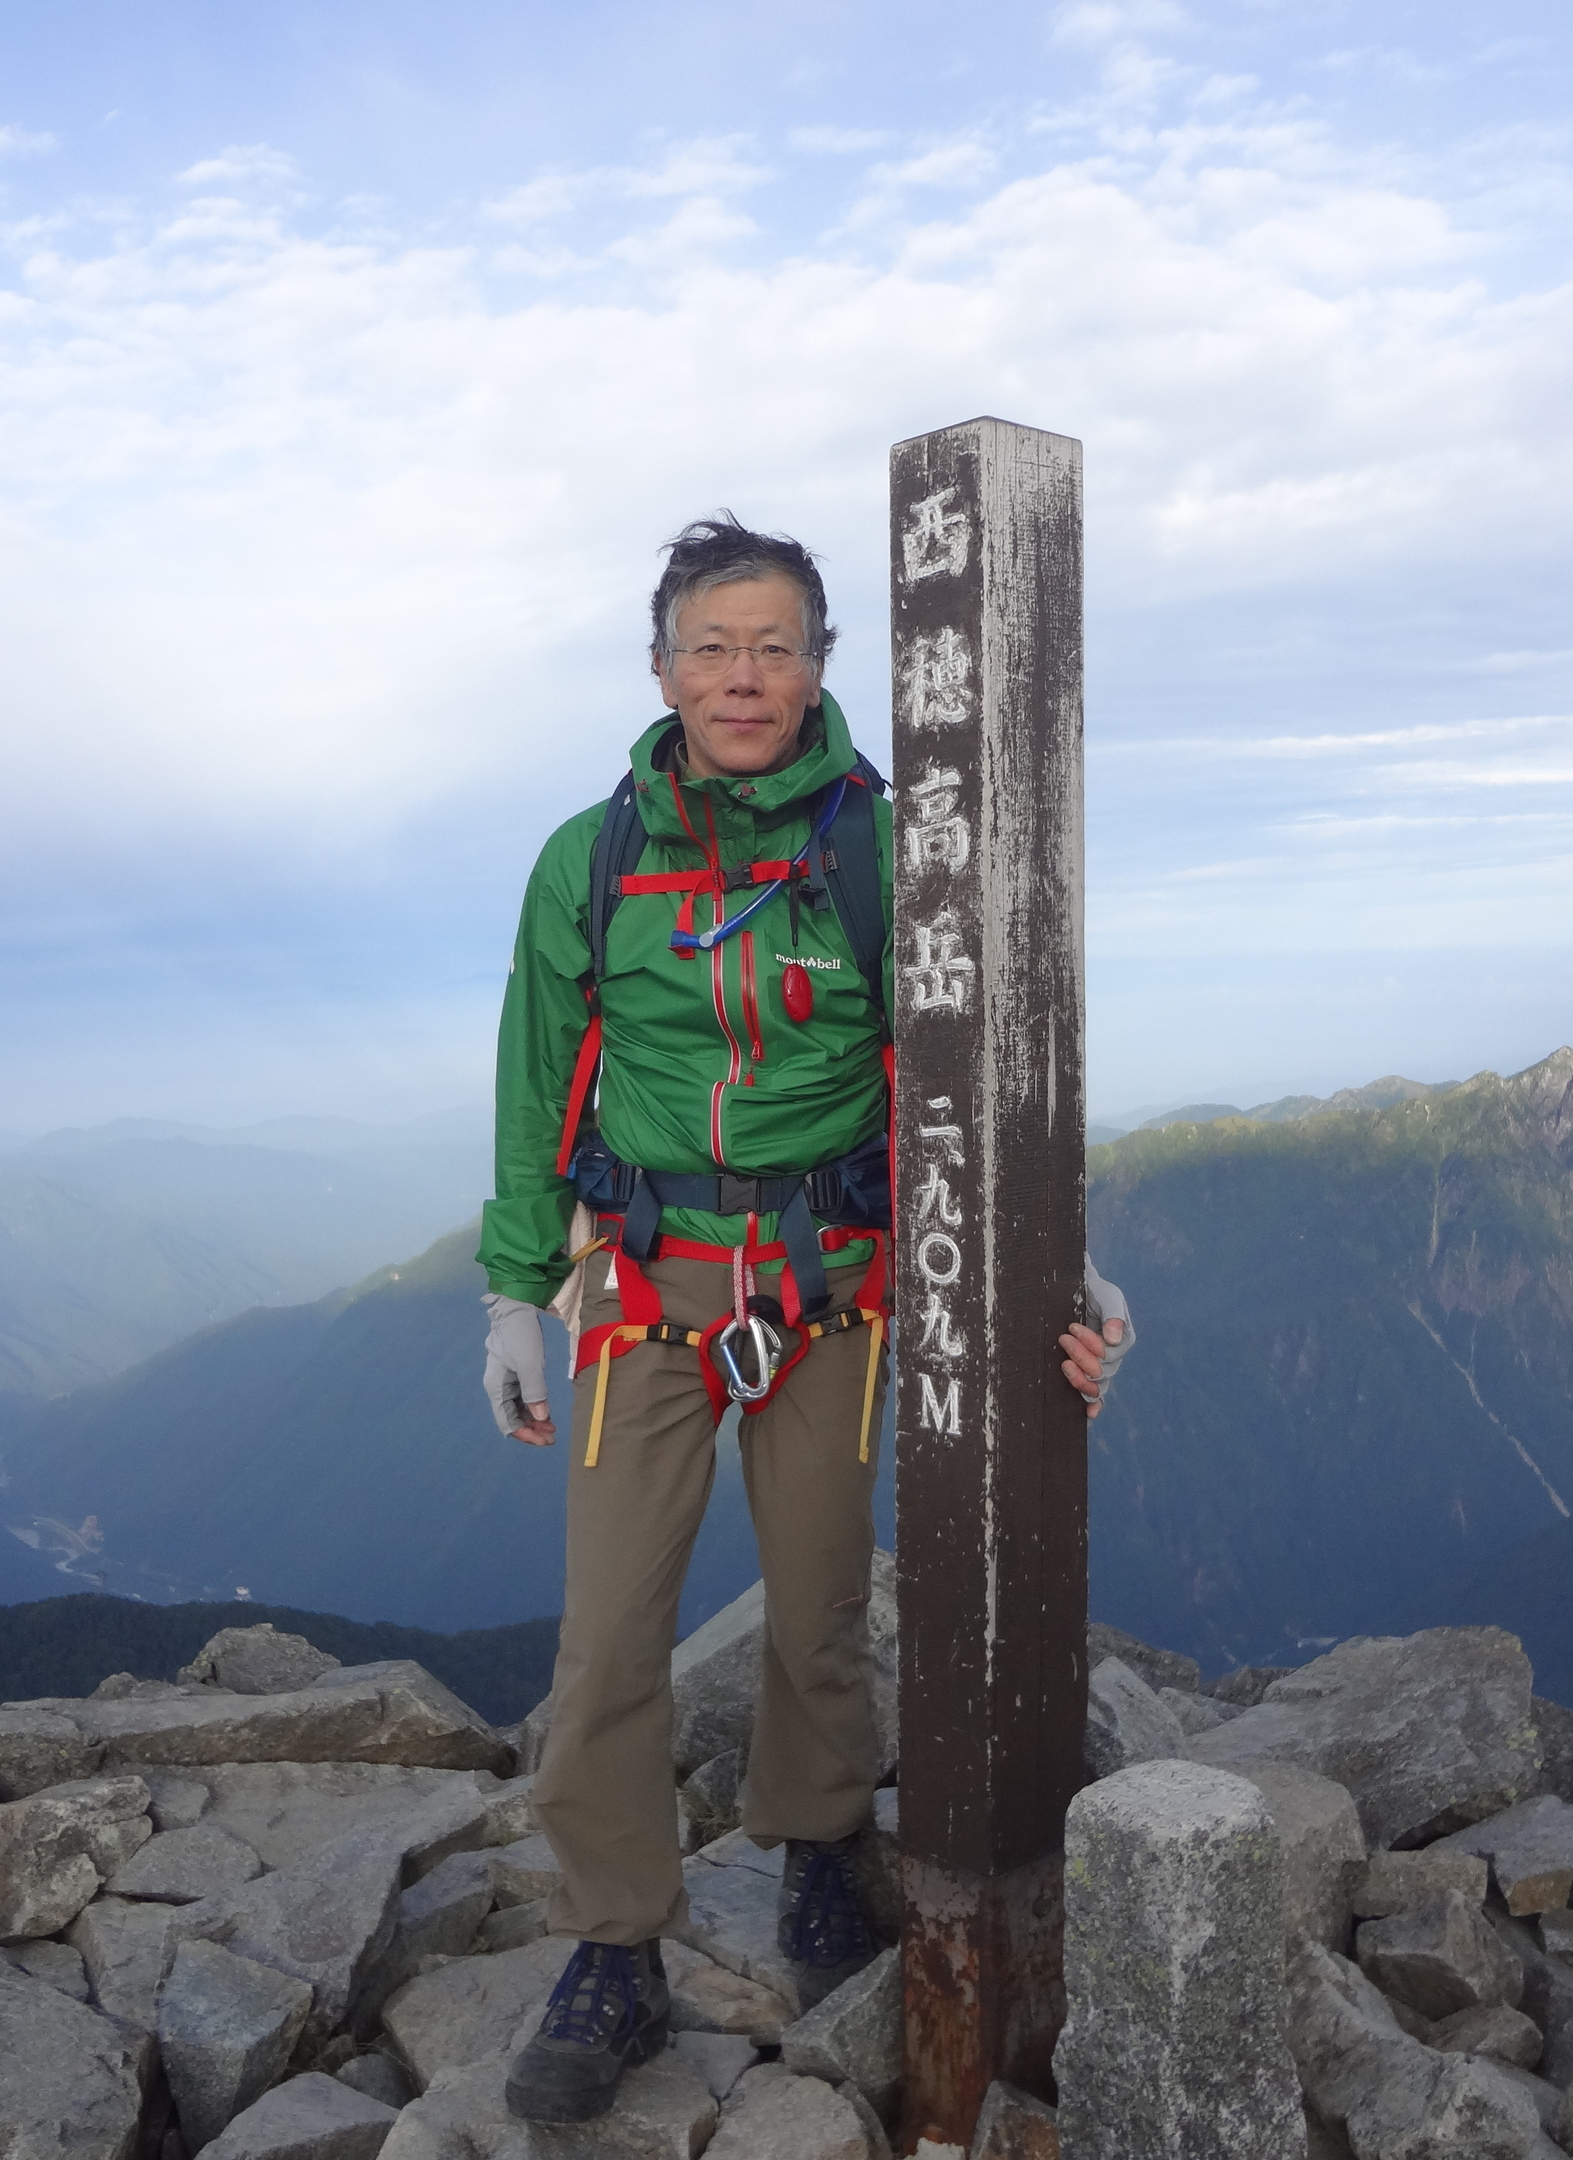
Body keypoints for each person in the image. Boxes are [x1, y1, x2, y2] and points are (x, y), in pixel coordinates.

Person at [476, 515, 1131, 2123]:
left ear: (826, 665)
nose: (743, 678)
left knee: (822, 1602)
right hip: (643, 1292)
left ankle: (827, 1844)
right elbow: (537, 1084)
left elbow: (969, 1072)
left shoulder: (886, 848)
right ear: (659, 668)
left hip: (831, 1286)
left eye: (775, 646)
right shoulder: (592, 858)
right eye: (712, 647)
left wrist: (1062, 1262)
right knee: (610, 1636)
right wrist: (511, 1290)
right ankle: (620, 1940)